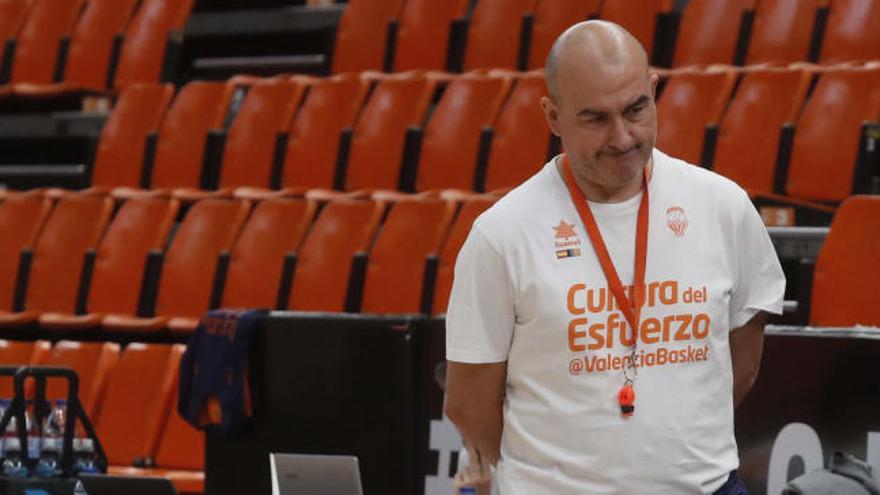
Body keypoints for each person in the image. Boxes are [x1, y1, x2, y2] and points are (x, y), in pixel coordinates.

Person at [444, 20, 785, 494]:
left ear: (653, 88)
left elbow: (743, 352)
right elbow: (469, 403)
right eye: (595, 118)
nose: (623, 137)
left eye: (636, 109)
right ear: (552, 116)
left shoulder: (722, 207)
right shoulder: (502, 235)